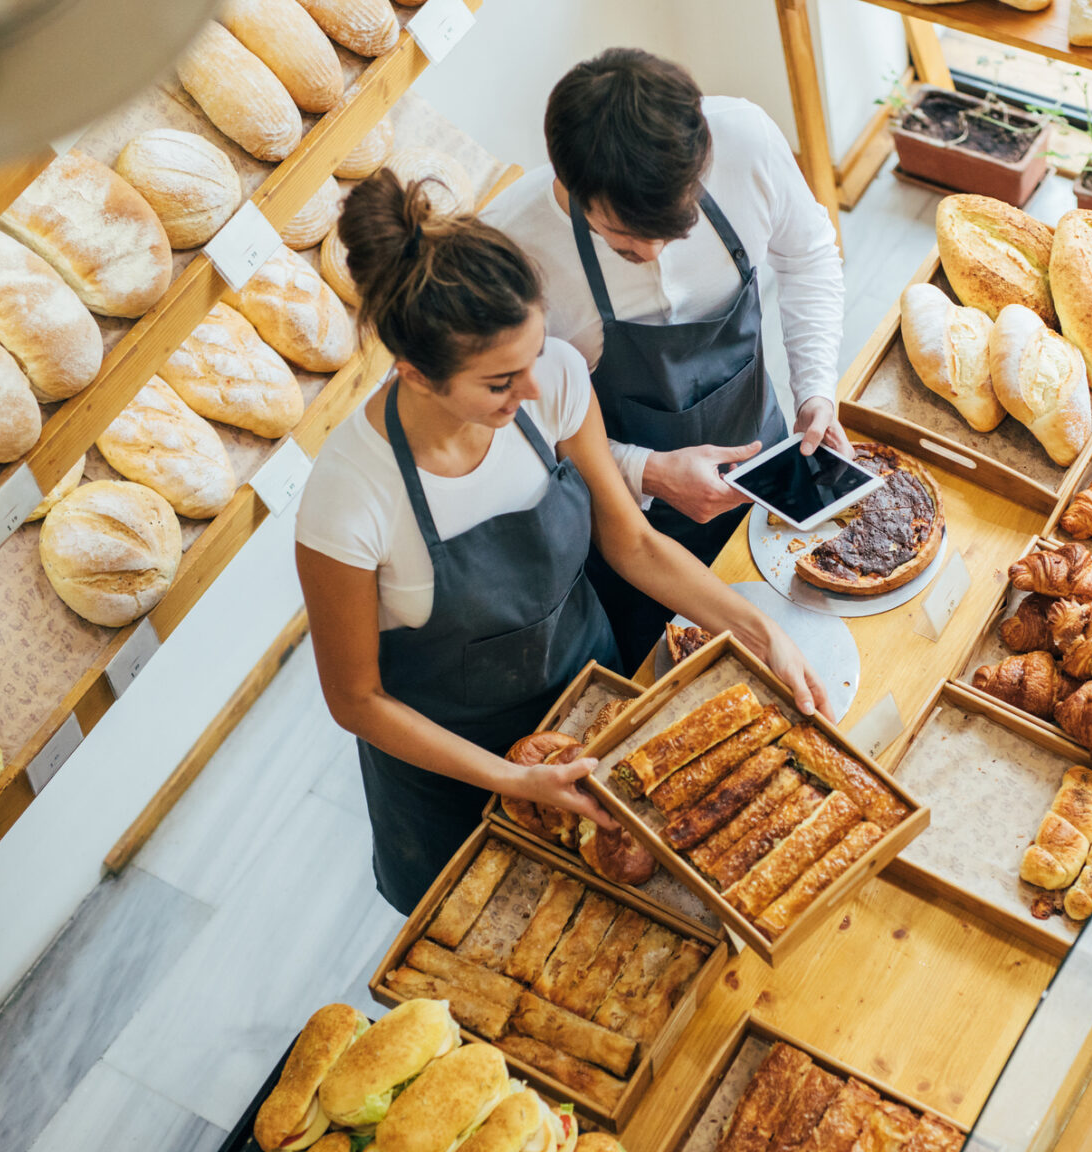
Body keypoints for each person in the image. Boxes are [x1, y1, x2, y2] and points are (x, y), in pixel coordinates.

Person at [295, 171, 828, 914]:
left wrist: (759, 632)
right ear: (413, 373)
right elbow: (357, 699)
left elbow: (633, 545)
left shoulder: (555, 381)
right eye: (500, 383)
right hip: (455, 777)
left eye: (536, 355)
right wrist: (512, 780)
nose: (535, 393)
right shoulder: (349, 498)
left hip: (591, 710)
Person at [483, 48, 848, 668]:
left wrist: (815, 386)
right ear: (571, 185)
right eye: (625, 239)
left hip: (766, 473)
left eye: (671, 232)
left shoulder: (745, 141)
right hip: (630, 529)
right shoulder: (511, 254)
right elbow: (515, 433)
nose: (652, 253)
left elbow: (808, 254)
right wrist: (646, 471)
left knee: (804, 637)